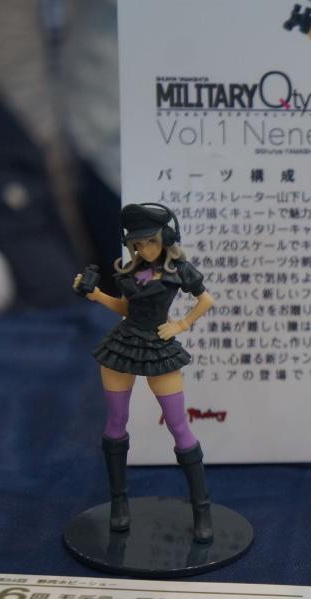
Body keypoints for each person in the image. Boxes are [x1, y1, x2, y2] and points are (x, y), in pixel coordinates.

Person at [73, 203, 216, 543]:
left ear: (166, 238)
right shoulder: (130, 271)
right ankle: (119, 503)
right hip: (122, 345)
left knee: (179, 427)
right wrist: (97, 295)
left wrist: (180, 324)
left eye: (150, 241)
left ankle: (202, 509)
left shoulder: (179, 270)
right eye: (137, 244)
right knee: (115, 423)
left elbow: (206, 301)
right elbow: (126, 308)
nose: (144, 249)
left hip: (159, 347)